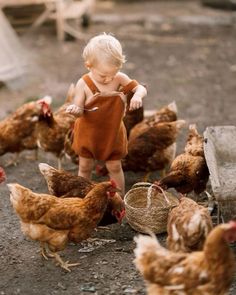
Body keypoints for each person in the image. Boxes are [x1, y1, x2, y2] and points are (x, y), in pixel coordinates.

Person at [66, 33, 147, 195]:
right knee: (85, 166)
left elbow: (140, 88)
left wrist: (137, 95)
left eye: (113, 73)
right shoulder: (84, 83)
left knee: (115, 166)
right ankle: (85, 197)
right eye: (103, 75)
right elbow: (79, 109)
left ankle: (120, 199)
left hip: (113, 133)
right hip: (88, 134)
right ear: (89, 66)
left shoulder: (119, 78)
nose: (109, 78)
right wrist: (75, 111)